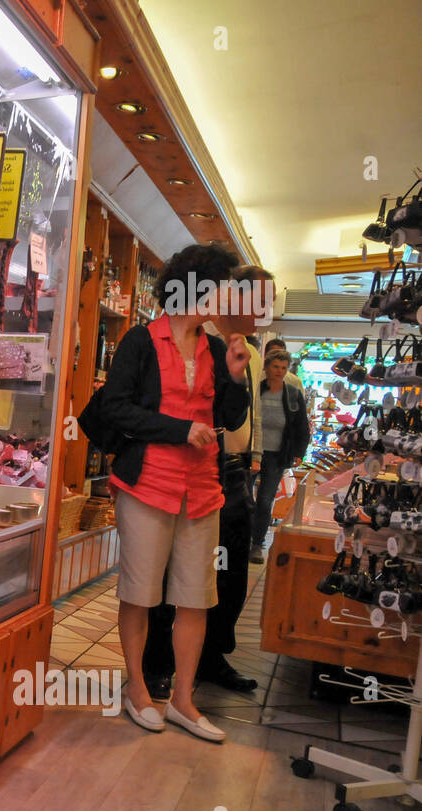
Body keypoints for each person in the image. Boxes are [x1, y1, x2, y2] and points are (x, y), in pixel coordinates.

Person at [101, 244, 250, 743]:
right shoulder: (141, 340)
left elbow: (228, 418)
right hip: (147, 486)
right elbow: (116, 408)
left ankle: (184, 700)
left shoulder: (213, 347)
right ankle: (138, 689)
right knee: (140, 593)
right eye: (221, 286)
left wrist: (234, 375)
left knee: (195, 598)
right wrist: (179, 429)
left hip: (201, 490)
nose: (226, 297)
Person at [143, 265, 273, 699]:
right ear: (235, 297)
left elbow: (242, 414)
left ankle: (212, 656)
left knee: (230, 573)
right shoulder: (195, 336)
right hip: (190, 467)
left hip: (234, 472)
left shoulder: (249, 350)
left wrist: (252, 460)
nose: (267, 308)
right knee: (173, 572)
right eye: (262, 299)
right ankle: (158, 662)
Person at [250, 348, 311, 563]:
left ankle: (257, 543)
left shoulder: (293, 395)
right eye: (275, 366)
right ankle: (241, 537)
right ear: (266, 367)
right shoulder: (256, 391)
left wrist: (299, 453)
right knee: (245, 499)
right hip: (251, 453)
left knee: (265, 500)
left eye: (283, 368)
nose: (279, 371)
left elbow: (302, 426)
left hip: (277, 455)